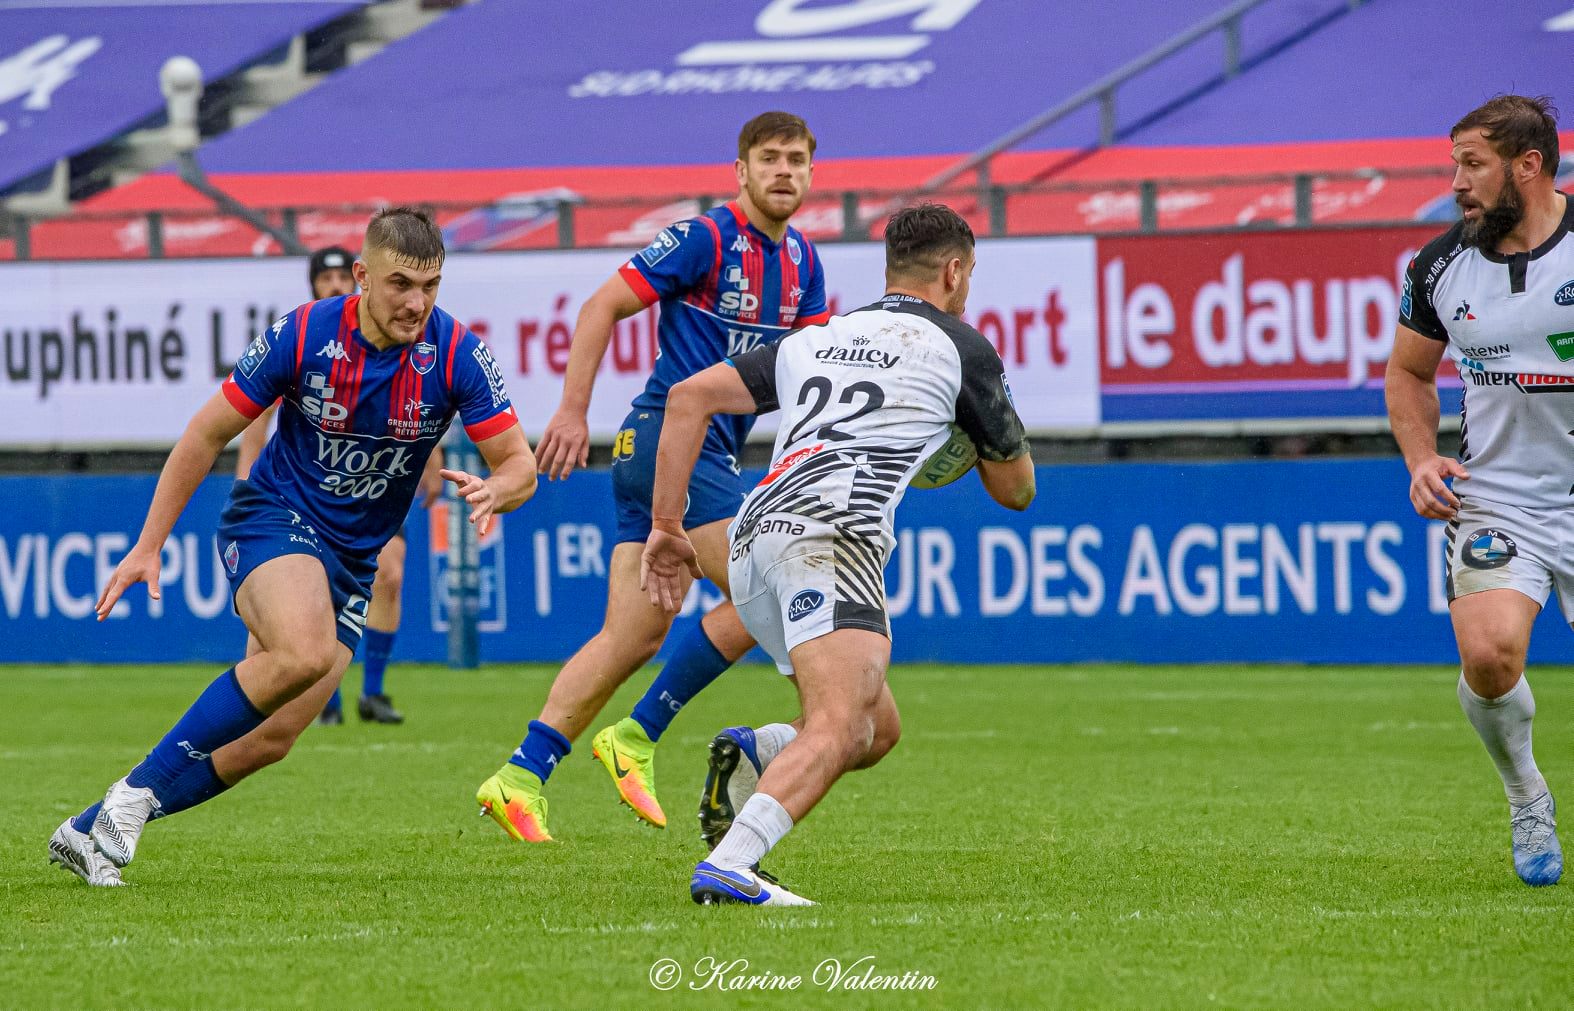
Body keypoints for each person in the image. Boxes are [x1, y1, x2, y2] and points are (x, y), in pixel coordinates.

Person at [48, 208, 537, 887]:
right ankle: (130, 798)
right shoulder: (305, 333)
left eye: (430, 285)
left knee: (269, 740)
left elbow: (520, 463)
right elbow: (204, 432)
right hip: (274, 518)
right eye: (400, 283)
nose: (417, 301)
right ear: (361, 276)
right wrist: (148, 544)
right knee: (302, 651)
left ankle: (87, 827)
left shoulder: (456, 352)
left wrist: (499, 488)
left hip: (353, 559)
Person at [641, 203, 1035, 905]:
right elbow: (1016, 489)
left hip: (754, 535)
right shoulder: (961, 347)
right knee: (841, 721)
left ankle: (754, 753)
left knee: (876, 727)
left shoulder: (815, 338)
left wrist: (667, 525)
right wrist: (961, 443)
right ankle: (734, 862)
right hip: (832, 535)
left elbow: (689, 397)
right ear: (953, 272)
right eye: (967, 275)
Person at [474, 111, 830, 843]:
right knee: (771, 590)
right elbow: (602, 304)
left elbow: (814, 373)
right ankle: (638, 731)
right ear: (741, 171)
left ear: (812, 172)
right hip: (671, 444)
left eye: (796, 159)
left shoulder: (805, 265)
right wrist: (572, 411)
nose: (784, 170)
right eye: (769, 158)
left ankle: (520, 774)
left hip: (692, 460)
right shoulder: (707, 237)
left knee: (630, 636)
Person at [1386, 94, 1571, 887]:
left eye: (1472, 164)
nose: (1456, 182)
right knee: (1490, 657)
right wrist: (1422, 458)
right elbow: (1408, 371)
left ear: (1527, 166)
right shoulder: (1439, 265)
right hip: (1499, 495)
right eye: (1454, 163)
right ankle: (1526, 791)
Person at [236, 245, 443, 726]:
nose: (333, 285)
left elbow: (424, 406)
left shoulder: (401, 337)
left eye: (338, 277)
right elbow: (256, 411)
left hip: (376, 488)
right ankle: (324, 698)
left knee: (390, 575)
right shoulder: (308, 333)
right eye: (323, 278)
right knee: (309, 594)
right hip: (309, 492)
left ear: (360, 279)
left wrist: (433, 463)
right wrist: (247, 472)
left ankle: (372, 692)